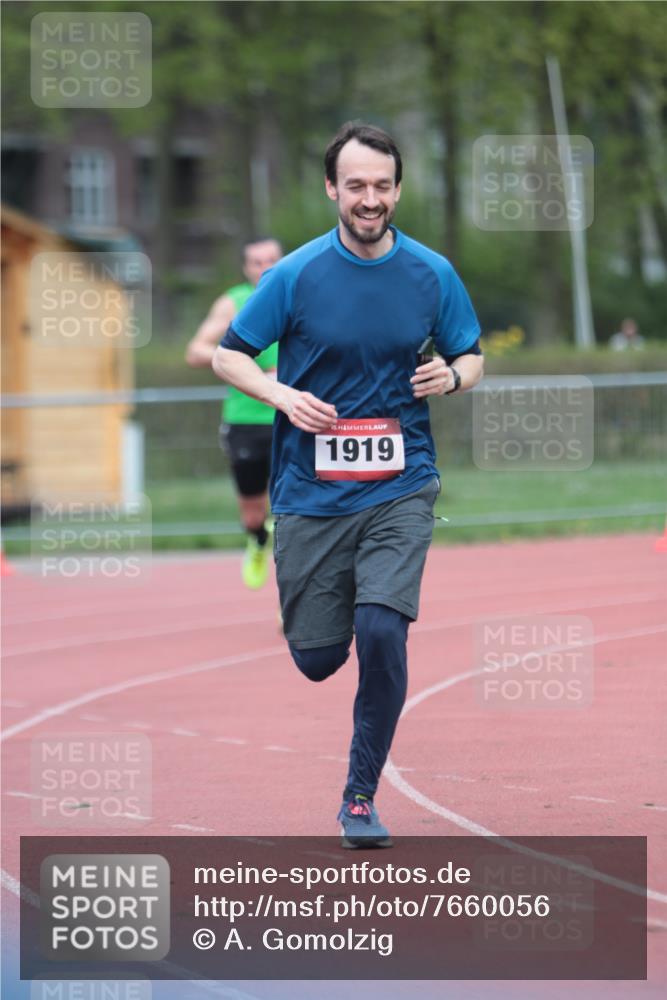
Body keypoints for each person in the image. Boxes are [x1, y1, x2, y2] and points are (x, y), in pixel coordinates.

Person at [212, 122, 484, 847]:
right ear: (333, 188)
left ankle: (359, 795)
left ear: (397, 189)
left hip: (400, 484)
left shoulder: (432, 273)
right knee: (317, 660)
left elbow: (471, 353)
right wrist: (279, 394)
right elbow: (227, 355)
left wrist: (452, 375)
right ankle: (306, 618)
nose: (370, 199)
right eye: (356, 185)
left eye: (382, 186)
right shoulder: (295, 275)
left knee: (382, 630)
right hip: (308, 492)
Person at [186, 238, 283, 588]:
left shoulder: (297, 294)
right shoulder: (233, 302)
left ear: (282, 261)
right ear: (246, 268)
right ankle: (257, 540)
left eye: (271, 260)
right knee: (253, 512)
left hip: (291, 417)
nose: (264, 268)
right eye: (256, 262)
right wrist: (239, 360)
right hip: (245, 423)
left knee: (293, 510)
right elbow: (196, 350)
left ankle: (294, 600)